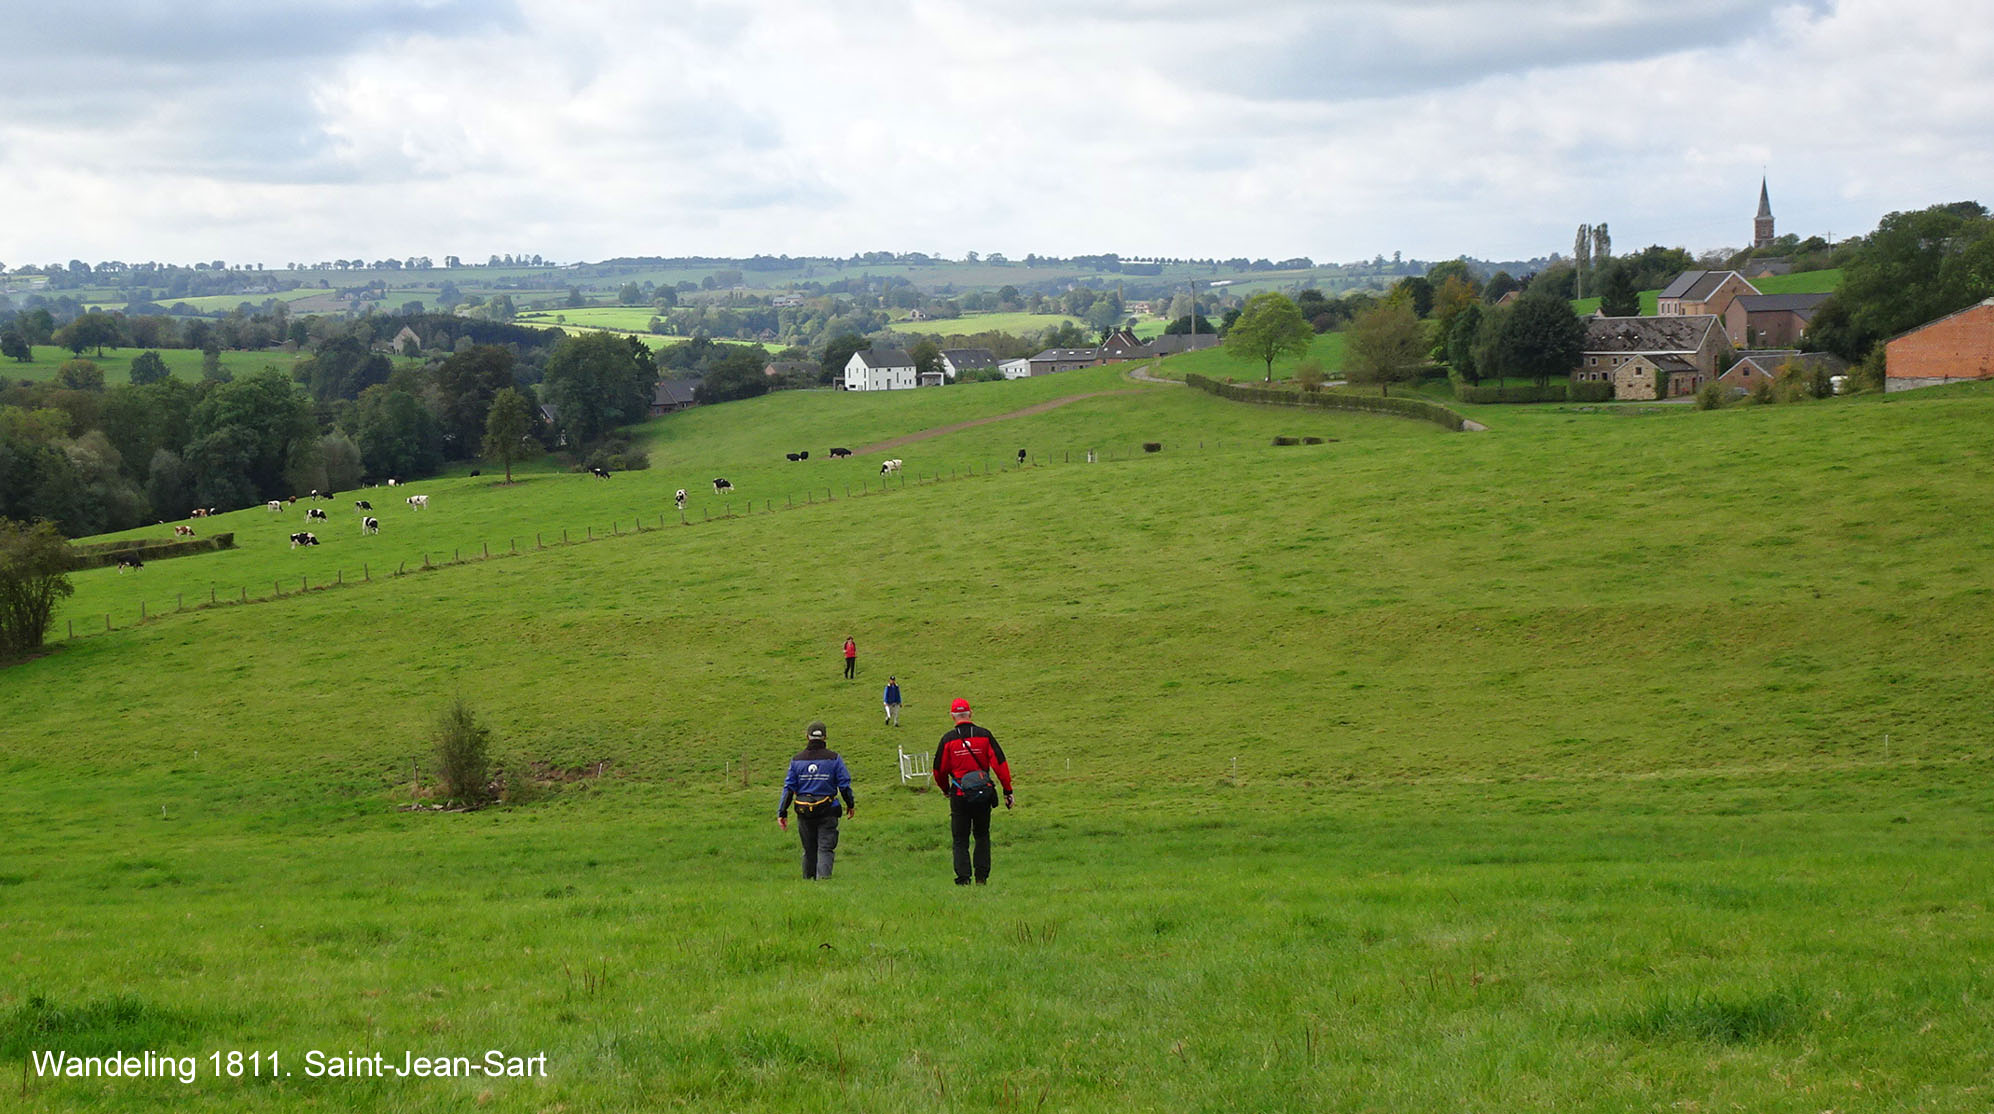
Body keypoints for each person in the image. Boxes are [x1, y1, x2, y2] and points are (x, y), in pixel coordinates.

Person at [931, 697, 1013, 885]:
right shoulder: (984, 735)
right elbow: (1000, 764)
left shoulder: (948, 739)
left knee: (960, 839)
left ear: (952, 716)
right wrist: (1008, 790)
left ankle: (963, 878)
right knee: (982, 835)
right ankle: (982, 878)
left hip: (959, 795)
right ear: (971, 714)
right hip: (982, 795)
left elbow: (939, 770)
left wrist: (945, 789)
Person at [776, 721, 854, 880]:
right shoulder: (834, 759)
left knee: (809, 849)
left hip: (804, 813)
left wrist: (782, 812)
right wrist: (850, 805)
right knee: (825, 848)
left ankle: (808, 882)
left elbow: (789, 788)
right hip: (829, 810)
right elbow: (844, 785)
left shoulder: (796, 760)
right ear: (825, 737)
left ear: (807, 737)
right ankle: (824, 882)